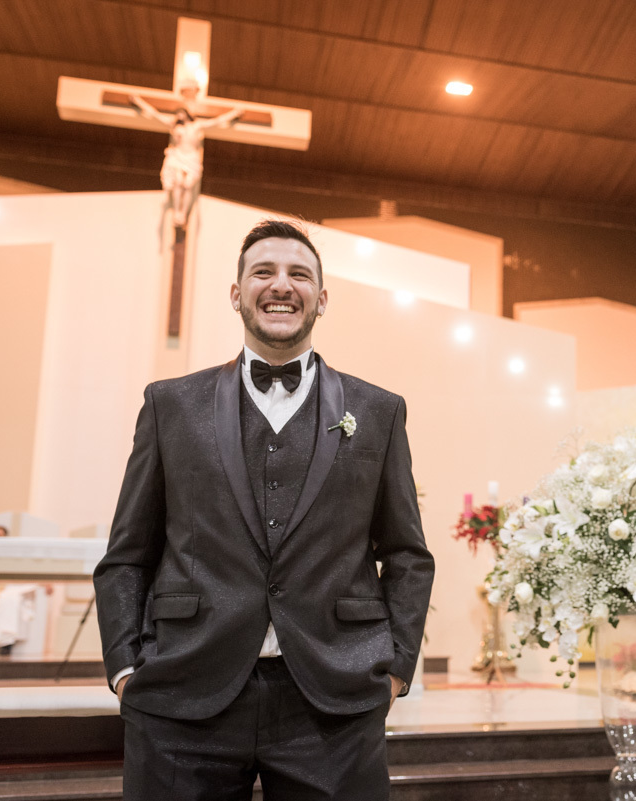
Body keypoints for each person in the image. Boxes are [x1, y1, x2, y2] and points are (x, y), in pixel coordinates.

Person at [93, 219, 434, 800]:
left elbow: (405, 553)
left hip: (335, 701)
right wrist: (126, 667)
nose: (282, 285)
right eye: (263, 272)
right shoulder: (170, 404)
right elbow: (128, 552)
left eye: (300, 274)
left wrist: (395, 668)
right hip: (182, 696)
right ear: (236, 294)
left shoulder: (379, 410)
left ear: (322, 298)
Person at [130, 84, 244, 229]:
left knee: (188, 184)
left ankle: (184, 213)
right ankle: (177, 213)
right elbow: (155, 114)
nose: (179, 116)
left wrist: (234, 113)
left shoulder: (196, 126)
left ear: (186, 114)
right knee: (178, 181)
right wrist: (138, 101)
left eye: (181, 113)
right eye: (177, 114)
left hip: (191, 158)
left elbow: (217, 121)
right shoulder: (174, 126)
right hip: (178, 157)